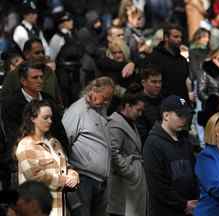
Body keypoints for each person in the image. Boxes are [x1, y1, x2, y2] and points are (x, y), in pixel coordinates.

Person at [2, 60, 69, 189]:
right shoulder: (11, 104)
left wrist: (65, 158)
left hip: (53, 160)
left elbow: (59, 132)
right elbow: (14, 136)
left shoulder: (48, 100)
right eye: (35, 77)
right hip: (25, 161)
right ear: (23, 81)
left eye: (41, 77)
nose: (40, 80)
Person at [16, 100, 79, 216]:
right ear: (32, 119)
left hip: (61, 209)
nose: (50, 121)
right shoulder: (26, 145)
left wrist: (74, 176)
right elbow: (35, 178)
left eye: (51, 117)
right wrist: (64, 180)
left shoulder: (55, 143)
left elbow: (67, 166)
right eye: (45, 118)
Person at [62, 77, 114, 216]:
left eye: (109, 99)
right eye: (105, 97)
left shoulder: (100, 111)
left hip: (101, 181)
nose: (107, 102)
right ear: (94, 90)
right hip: (83, 179)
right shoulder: (77, 111)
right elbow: (64, 142)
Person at [143, 95, 198, 216]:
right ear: (166, 115)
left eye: (186, 115)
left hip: (190, 209)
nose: (184, 119)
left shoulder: (185, 141)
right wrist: (183, 204)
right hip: (165, 211)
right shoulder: (153, 143)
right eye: (179, 115)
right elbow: (157, 185)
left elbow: (194, 175)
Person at [107, 85, 146, 216]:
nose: (140, 114)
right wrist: (129, 171)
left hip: (131, 180)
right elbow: (113, 153)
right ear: (127, 106)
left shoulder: (130, 122)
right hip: (124, 181)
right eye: (138, 110)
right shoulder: (115, 124)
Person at [146, 24, 193, 102]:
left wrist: (186, 103)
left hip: (181, 103)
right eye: (175, 37)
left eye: (180, 37)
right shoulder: (155, 57)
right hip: (161, 103)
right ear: (166, 38)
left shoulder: (182, 60)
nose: (179, 40)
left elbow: (183, 85)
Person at [136, 65, 162, 143]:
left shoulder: (164, 100)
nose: (158, 85)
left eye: (160, 82)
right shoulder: (137, 104)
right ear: (143, 83)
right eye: (154, 82)